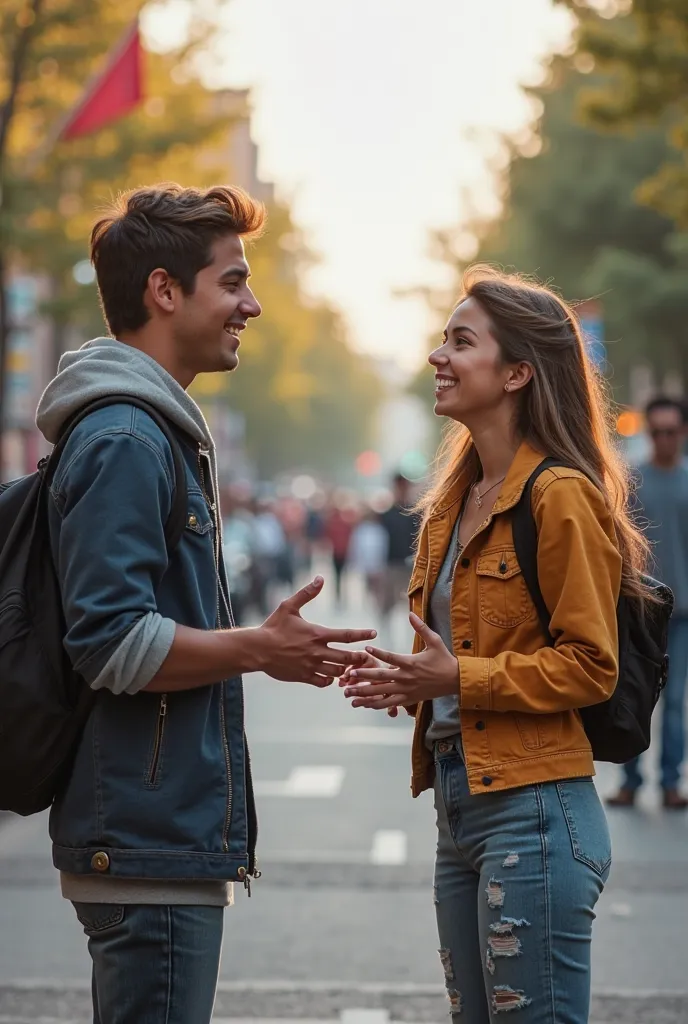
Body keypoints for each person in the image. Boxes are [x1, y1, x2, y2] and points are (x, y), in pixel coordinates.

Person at [35, 183, 375, 1024]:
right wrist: (259, 648)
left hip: (156, 835)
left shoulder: (148, 429)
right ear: (164, 291)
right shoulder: (126, 437)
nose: (251, 305)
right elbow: (111, 642)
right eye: (232, 282)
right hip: (148, 841)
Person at [342, 265, 652, 1023]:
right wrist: (412, 679)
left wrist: (458, 678)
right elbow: (453, 655)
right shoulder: (453, 502)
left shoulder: (559, 495)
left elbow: (592, 664)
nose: (437, 357)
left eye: (460, 341)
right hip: (461, 809)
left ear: (517, 372)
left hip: (536, 811)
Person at [607, 396, 688, 810]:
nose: (663, 440)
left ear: (683, 433)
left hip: (684, 615)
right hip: (640, 612)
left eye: (670, 432)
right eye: (656, 432)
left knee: (674, 704)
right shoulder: (632, 483)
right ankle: (630, 780)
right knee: (635, 695)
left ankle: (672, 782)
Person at [379, 473, 419, 620]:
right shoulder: (387, 514)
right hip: (392, 563)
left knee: (411, 605)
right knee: (388, 603)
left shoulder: (416, 513)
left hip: (411, 565)